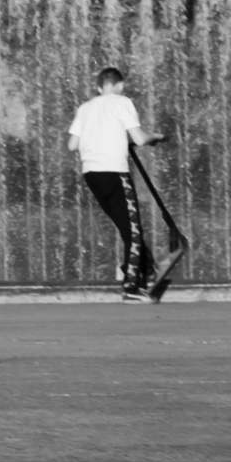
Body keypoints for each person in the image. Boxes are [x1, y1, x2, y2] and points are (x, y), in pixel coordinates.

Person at [68, 66, 159, 300]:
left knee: (125, 225)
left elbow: (72, 145)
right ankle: (130, 287)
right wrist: (154, 137)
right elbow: (138, 138)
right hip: (115, 172)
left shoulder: (85, 107)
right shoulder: (122, 102)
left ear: (99, 87)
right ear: (119, 85)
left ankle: (145, 267)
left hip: (91, 174)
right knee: (134, 229)